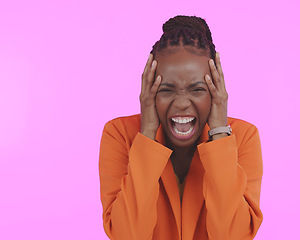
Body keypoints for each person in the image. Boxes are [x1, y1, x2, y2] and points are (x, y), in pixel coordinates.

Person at [99, 15, 263, 240]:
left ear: (215, 90)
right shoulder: (119, 135)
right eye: (166, 89)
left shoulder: (243, 137)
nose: (182, 103)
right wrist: (147, 134)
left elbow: (232, 236)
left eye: (197, 89)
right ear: (149, 89)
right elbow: (128, 235)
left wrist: (219, 134)